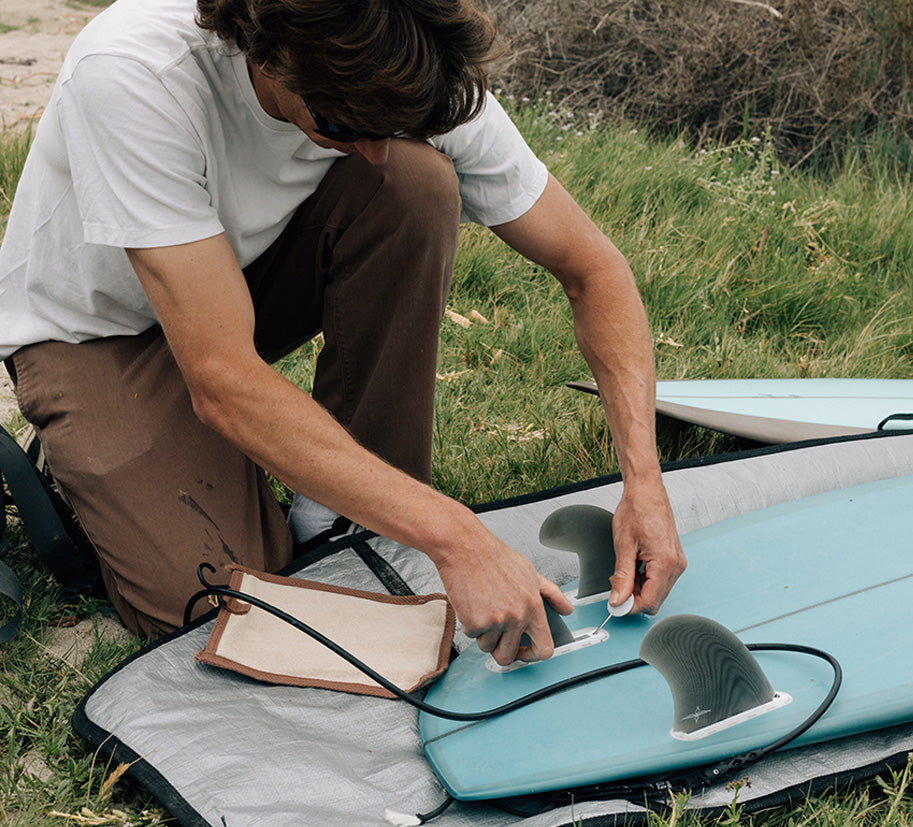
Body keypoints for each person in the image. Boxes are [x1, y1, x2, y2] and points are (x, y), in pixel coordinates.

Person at [0, 0, 685, 662]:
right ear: (267, 55)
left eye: (393, 124)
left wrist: (644, 483)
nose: (375, 149)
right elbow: (221, 380)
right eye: (342, 123)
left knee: (415, 184)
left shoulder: (411, 64)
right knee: (228, 607)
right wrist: (457, 535)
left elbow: (592, 269)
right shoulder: (132, 71)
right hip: (94, 334)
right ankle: (87, 462)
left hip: (233, 288)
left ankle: (343, 512)